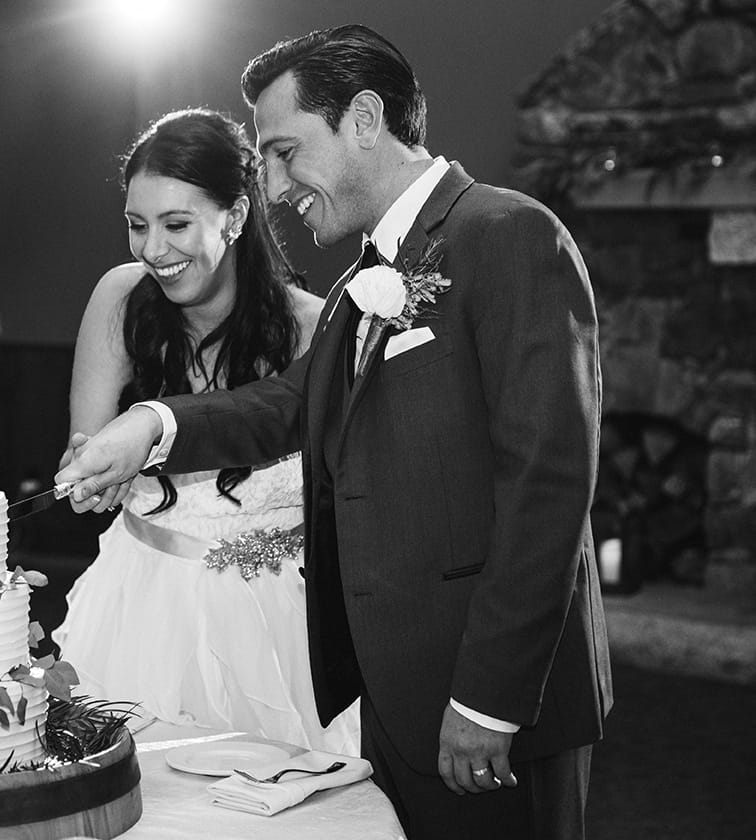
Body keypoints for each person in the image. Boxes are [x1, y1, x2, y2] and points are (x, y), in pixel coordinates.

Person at [56, 25, 611, 840]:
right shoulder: (362, 284)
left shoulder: (508, 234)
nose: (275, 185)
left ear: (361, 119)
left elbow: (548, 488)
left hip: (488, 698)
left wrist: (487, 701)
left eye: (284, 151)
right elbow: (286, 404)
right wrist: (153, 422)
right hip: (393, 693)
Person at [51, 108, 360, 753]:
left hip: (277, 622)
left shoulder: (315, 327)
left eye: (177, 224)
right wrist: (90, 475)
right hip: (142, 610)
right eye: (138, 226)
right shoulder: (120, 298)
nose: (154, 250)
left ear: (237, 217)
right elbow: (86, 447)